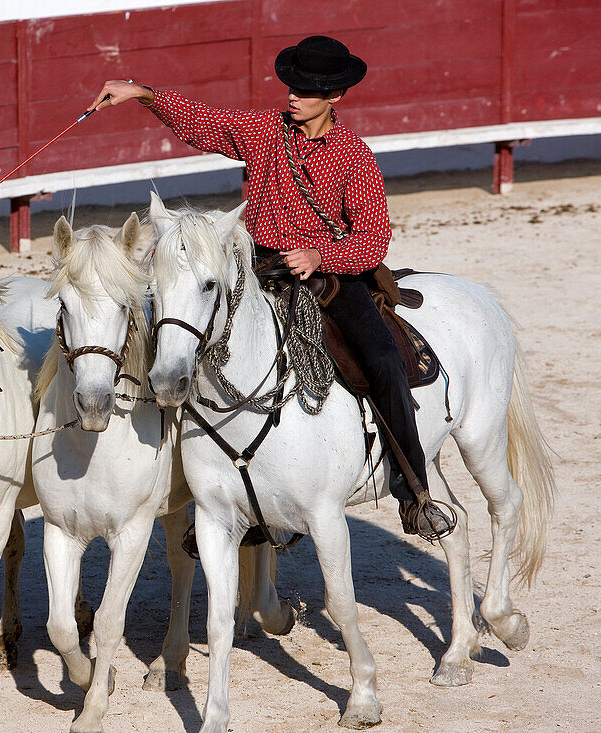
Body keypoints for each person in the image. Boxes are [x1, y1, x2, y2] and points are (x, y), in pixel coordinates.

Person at [89, 35, 455, 540]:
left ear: (335, 98)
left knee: (385, 361)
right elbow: (207, 123)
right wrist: (144, 94)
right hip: (259, 272)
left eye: (307, 89)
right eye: (292, 85)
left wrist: (321, 255)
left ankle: (414, 491)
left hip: (332, 278)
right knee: (185, 344)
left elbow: (373, 240)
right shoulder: (263, 131)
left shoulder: (354, 157)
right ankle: (221, 497)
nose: (293, 95)